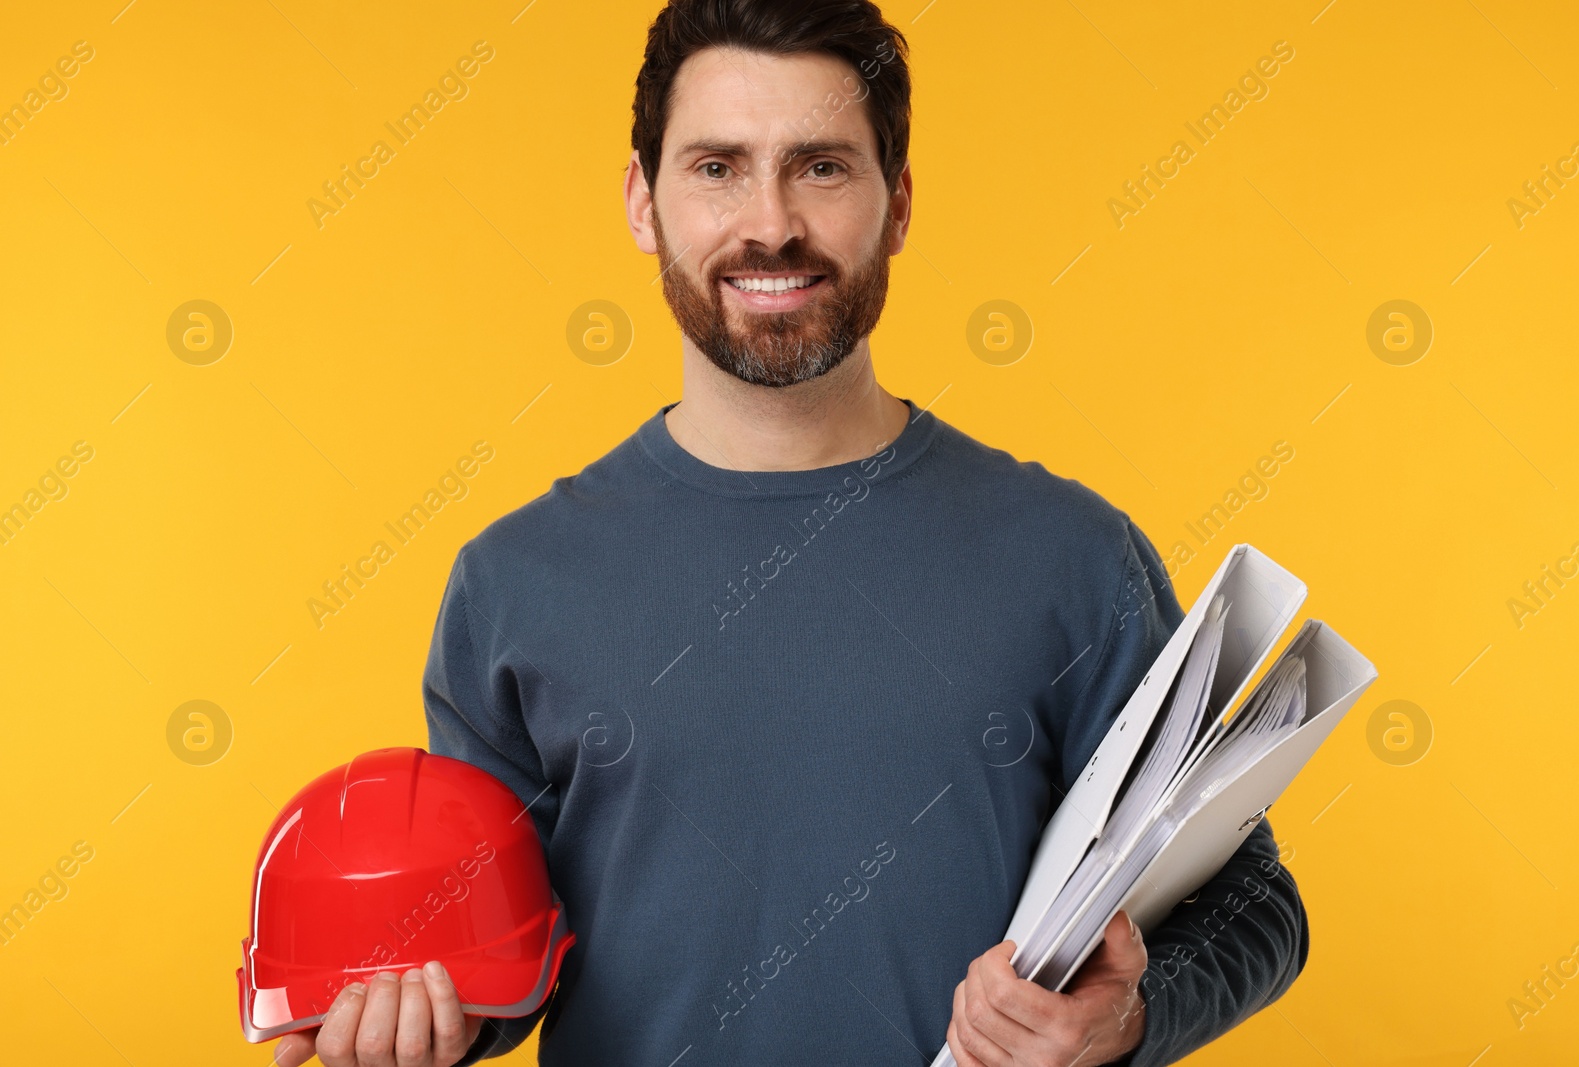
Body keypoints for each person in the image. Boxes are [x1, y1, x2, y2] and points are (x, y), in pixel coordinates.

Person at [273, 2, 1309, 1064]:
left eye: (820, 167)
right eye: (717, 167)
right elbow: (496, 964)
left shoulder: (1074, 559)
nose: (769, 223)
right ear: (642, 200)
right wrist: (423, 1025)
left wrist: (1127, 1018)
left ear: (896, 203)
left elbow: (1254, 904)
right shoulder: (512, 585)